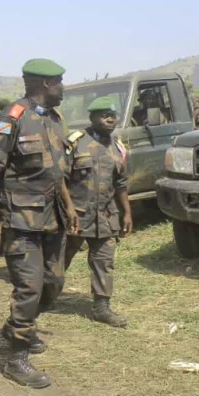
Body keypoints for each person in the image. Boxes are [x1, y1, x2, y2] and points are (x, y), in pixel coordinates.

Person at [0, 58, 79, 389]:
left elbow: (56, 170)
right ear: (45, 85)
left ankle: (19, 325)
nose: (64, 87)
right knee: (29, 286)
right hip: (21, 220)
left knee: (55, 282)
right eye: (60, 82)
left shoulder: (54, 119)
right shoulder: (12, 118)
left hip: (53, 218)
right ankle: (16, 357)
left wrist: (69, 205)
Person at [63, 97, 132, 328]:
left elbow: (121, 184)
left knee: (104, 261)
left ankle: (102, 307)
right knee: (60, 259)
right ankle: (44, 296)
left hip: (105, 216)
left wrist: (127, 213)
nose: (111, 119)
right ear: (91, 118)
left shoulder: (118, 147)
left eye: (113, 114)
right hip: (76, 216)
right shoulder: (75, 143)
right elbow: (60, 180)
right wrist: (68, 209)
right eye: (104, 114)